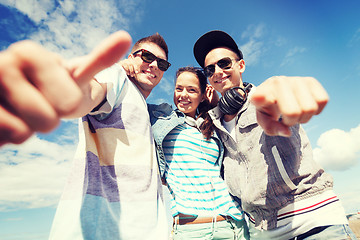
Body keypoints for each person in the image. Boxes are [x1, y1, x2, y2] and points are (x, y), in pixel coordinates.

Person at [0, 31, 170, 240]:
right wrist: (66, 92)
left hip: (144, 230)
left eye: (162, 64)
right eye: (147, 56)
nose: (154, 65)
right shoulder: (117, 77)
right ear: (131, 58)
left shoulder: (145, 107)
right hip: (105, 229)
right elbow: (91, 94)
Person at [193, 30, 357, 239]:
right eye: (210, 69)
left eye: (224, 63)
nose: (217, 71)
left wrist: (284, 89)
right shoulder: (214, 123)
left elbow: (277, 91)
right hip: (263, 232)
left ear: (241, 65)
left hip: (314, 223)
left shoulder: (263, 100)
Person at [145, 66, 249, 239]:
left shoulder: (210, 125)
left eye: (192, 90)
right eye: (179, 88)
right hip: (192, 228)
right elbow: (129, 101)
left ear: (202, 96)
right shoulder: (161, 118)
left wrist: (214, 104)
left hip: (232, 224)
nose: (183, 94)